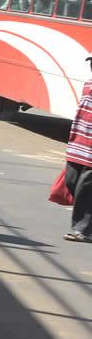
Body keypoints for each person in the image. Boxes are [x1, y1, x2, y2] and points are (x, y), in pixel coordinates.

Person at [63, 66, 92, 242]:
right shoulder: (88, 81)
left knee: (86, 187)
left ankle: (82, 229)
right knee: (71, 181)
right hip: (79, 142)